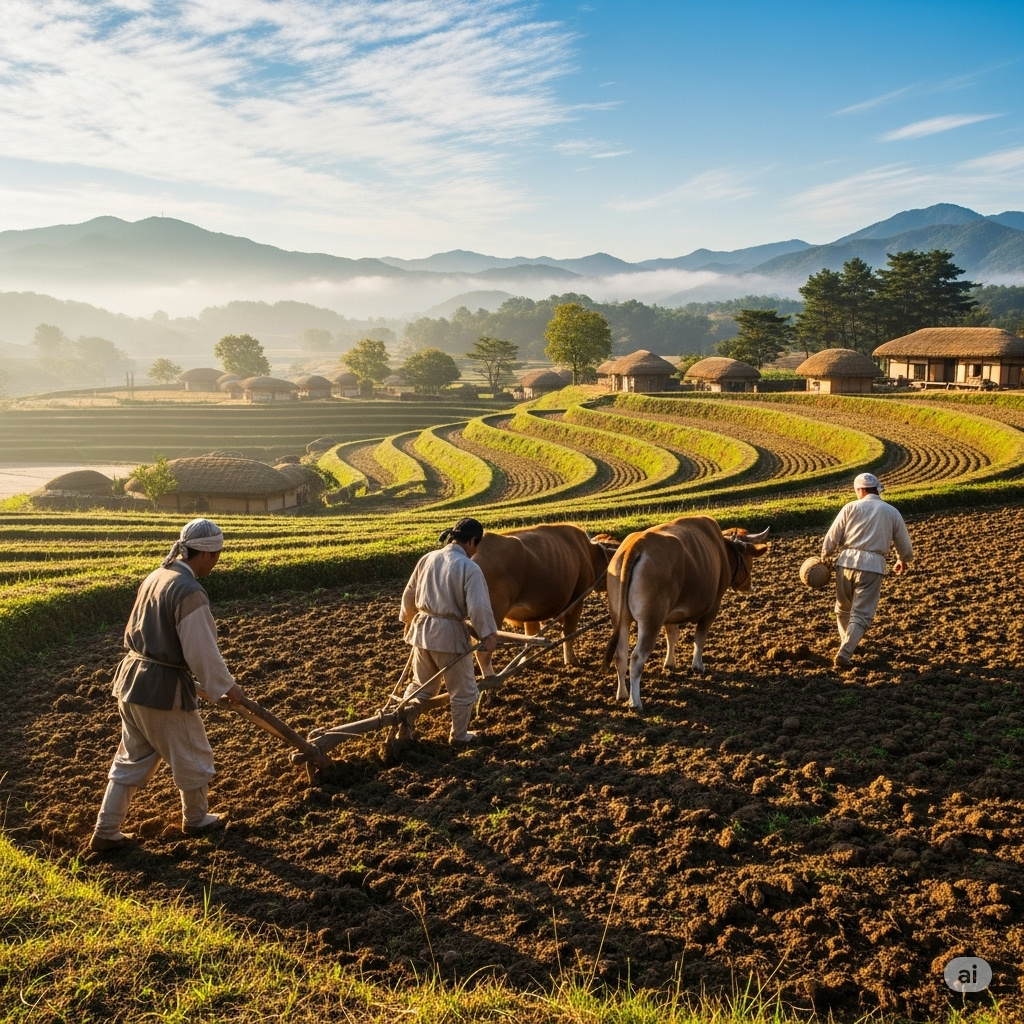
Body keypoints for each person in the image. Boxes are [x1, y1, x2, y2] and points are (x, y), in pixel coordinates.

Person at [89, 518, 243, 853]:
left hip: (131, 681)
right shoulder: (190, 591)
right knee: (194, 754)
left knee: (131, 759)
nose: (216, 562)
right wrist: (225, 687)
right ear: (207, 554)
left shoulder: (157, 576)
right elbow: (201, 649)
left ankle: (106, 830)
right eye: (217, 555)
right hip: (162, 690)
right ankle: (197, 819)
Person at [399, 517, 498, 745]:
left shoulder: (428, 558)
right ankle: (460, 736)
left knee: (422, 686)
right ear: (472, 541)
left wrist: (408, 619)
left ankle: (401, 723)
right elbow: (479, 607)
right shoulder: (469, 568)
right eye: (476, 545)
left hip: (422, 632)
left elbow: (410, 594)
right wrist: (488, 636)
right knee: (464, 690)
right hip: (449, 636)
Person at [821, 473, 913, 670]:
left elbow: (832, 536)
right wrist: (902, 559)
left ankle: (848, 643)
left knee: (843, 608)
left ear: (860, 490)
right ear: (876, 490)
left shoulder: (850, 507)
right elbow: (904, 545)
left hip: (845, 563)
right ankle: (845, 651)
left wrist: (825, 555)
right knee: (862, 614)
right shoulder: (891, 512)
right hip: (872, 566)